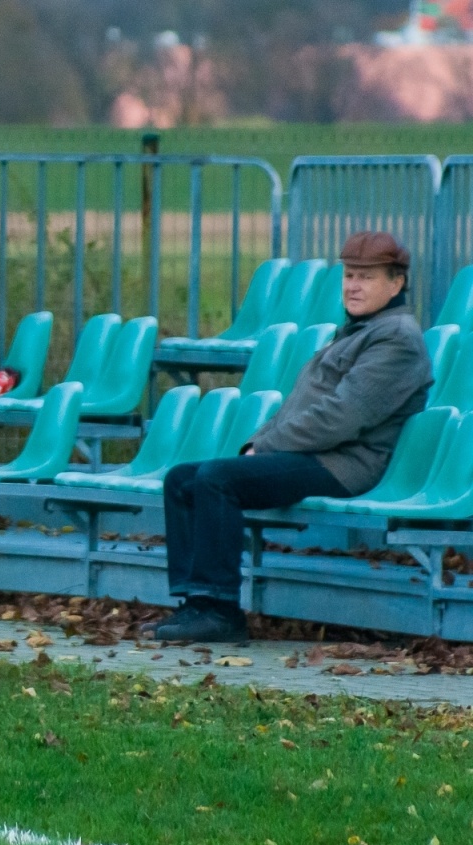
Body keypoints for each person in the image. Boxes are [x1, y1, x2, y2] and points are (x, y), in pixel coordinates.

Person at [147, 230, 431, 643]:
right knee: (182, 479)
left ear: (396, 283)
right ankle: (196, 604)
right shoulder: (358, 330)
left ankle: (221, 609)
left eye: (366, 278)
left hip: (345, 464)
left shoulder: (397, 339)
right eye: (349, 275)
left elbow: (342, 417)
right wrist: (254, 444)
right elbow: (298, 405)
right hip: (316, 454)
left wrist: (267, 447)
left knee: (216, 479)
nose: (353, 286)